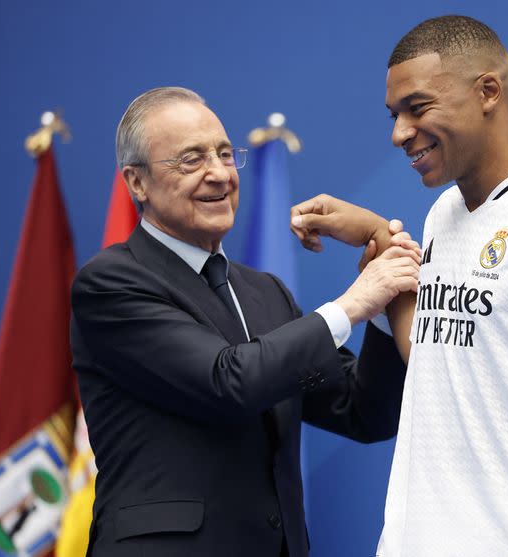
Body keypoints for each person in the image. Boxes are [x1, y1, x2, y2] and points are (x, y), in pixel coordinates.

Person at [290, 15, 508, 557]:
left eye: (418, 107)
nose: (399, 133)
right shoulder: (443, 215)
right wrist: (373, 233)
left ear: (488, 92)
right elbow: (434, 354)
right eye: (394, 115)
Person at [70, 86, 420, 557]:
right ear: (137, 182)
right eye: (191, 160)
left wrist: (379, 312)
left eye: (224, 154)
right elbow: (227, 381)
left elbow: (363, 412)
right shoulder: (110, 283)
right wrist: (354, 303)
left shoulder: (265, 293)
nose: (219, 174)